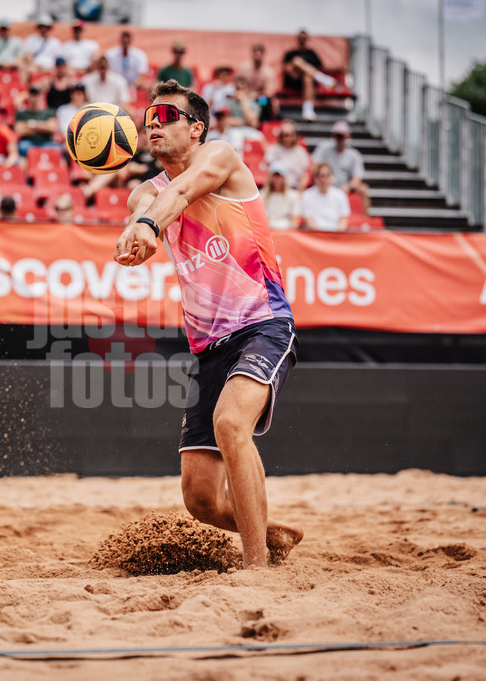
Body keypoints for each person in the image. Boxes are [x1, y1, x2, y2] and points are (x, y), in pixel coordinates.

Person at [113, 79, 302, 568]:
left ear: (196, 128)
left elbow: (181, 192)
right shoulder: (145, 193)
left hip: (263, 322)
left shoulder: (220, 156)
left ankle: (256, 567)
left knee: (230, 424)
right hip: (208, 346)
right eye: (149, 118)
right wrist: (137, 236)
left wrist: (151, 225)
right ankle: (271, 533)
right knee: (199, 501)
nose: (154, 123)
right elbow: (145, 209)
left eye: (167, 116)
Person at [311, 120, 369, 214]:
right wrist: (324, 180)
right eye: (336, 135)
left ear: (348, 137)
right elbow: (314, 168)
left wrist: (348, 187)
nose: (338, 139)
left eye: (341, 136)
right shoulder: (323, 149)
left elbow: (357, 179)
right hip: (324, 182)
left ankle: (365, 220)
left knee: (363, 189)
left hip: (344, 187)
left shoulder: (354, 155)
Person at [280, 29, 338, 122]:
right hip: (294, 80)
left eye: (304, 37)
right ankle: (320, 77)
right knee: (296, 61)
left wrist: (306, 71)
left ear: (307, 39)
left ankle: (308, 110)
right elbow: (287, 69)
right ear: (297, 38)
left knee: (307, 77)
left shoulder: (312, 54)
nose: (302, 39)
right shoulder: (290, 53)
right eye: (300, 37)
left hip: (307, 82)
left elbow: (320, 66)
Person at [263, 119, 310, 193]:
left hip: (294, 189)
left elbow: (305, 175)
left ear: (295, 135)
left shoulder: (301, 152)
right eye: (284, 135)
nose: (287, 138)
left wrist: (300, 192)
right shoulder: (272, 150)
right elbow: (269, 174)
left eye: (290, 135)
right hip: (276, 190)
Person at [299, 161, 349, 231]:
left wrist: (337, 235)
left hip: (336, 235)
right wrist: (322, 236)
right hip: (315, 235)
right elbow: (309, 221)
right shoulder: (307, 196)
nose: (326, 179)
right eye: (323, 176)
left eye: (328, 175)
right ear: (316, 178)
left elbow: (343, 220)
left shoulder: (340, 195)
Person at [14, 87, 61, 158]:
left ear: (41, 96)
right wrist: (43, 127)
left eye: (36, 94)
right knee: (22, 147)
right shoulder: (22, 114)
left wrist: (30, 124)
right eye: (32, 94)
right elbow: (19, 131)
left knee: (59, 149)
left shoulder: (49, 112)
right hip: (28, 143)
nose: (34, 97)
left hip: (47, 143)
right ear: (28, 96)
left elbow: (52, 128)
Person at [237, 43, 279, 121]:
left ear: (263, 55)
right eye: (255, 54)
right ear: (252, 54)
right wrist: (244, 94)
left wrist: (255, 95)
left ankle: (263, 121)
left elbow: (269, 92)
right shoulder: (243, 68)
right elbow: (236, 84)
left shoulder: (268, 72)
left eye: (259, 54)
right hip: (243, 97)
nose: (257, 56)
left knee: (266, 100)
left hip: (259, 100)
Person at [261, 162, 300, 229]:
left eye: (279, 175)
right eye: (274, 175)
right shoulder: (262, 195)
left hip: (286, 231)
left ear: (284, 177)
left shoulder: (293, 195)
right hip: (268, 230)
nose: (277, 178)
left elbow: (295, 219)